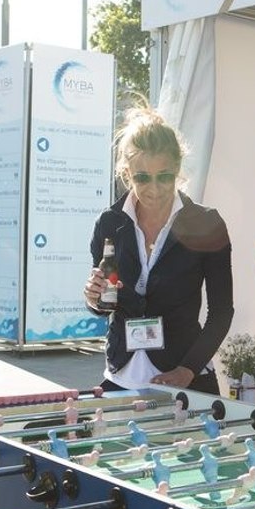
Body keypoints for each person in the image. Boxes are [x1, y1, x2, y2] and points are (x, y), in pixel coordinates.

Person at [83, 107, 233, 394]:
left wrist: (187, 370)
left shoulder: (206, 223)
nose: (154, 189)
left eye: (164, 176)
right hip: (121, 377)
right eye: (142, 177)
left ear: (178, 169)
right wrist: (93, 297)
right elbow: (105, 306)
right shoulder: (109, 223)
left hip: (187, 378)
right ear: (127, 174)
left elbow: (222, 312)